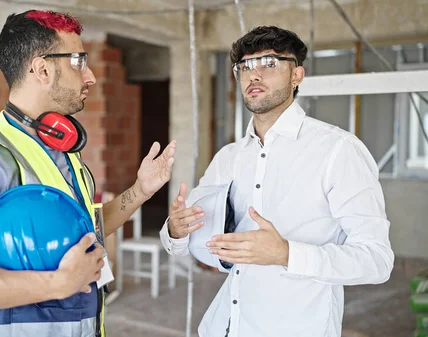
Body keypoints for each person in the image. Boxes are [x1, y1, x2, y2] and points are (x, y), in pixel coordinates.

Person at [0, 9, 176, 337]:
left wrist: (141, 190)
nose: (91, 76)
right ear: (42, 69)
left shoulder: (62, 151)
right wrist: (59, 283)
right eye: (79, 62)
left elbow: (85, 233)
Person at [159, 25, 394, 337]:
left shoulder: (338, 151)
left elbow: (377, 260)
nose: (254, 75)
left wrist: (286, 253)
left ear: (296, 76)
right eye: (245, 66)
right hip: (226, 326)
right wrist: (176, 229)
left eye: (269, 64)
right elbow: (185, 244)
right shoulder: (229, 157)